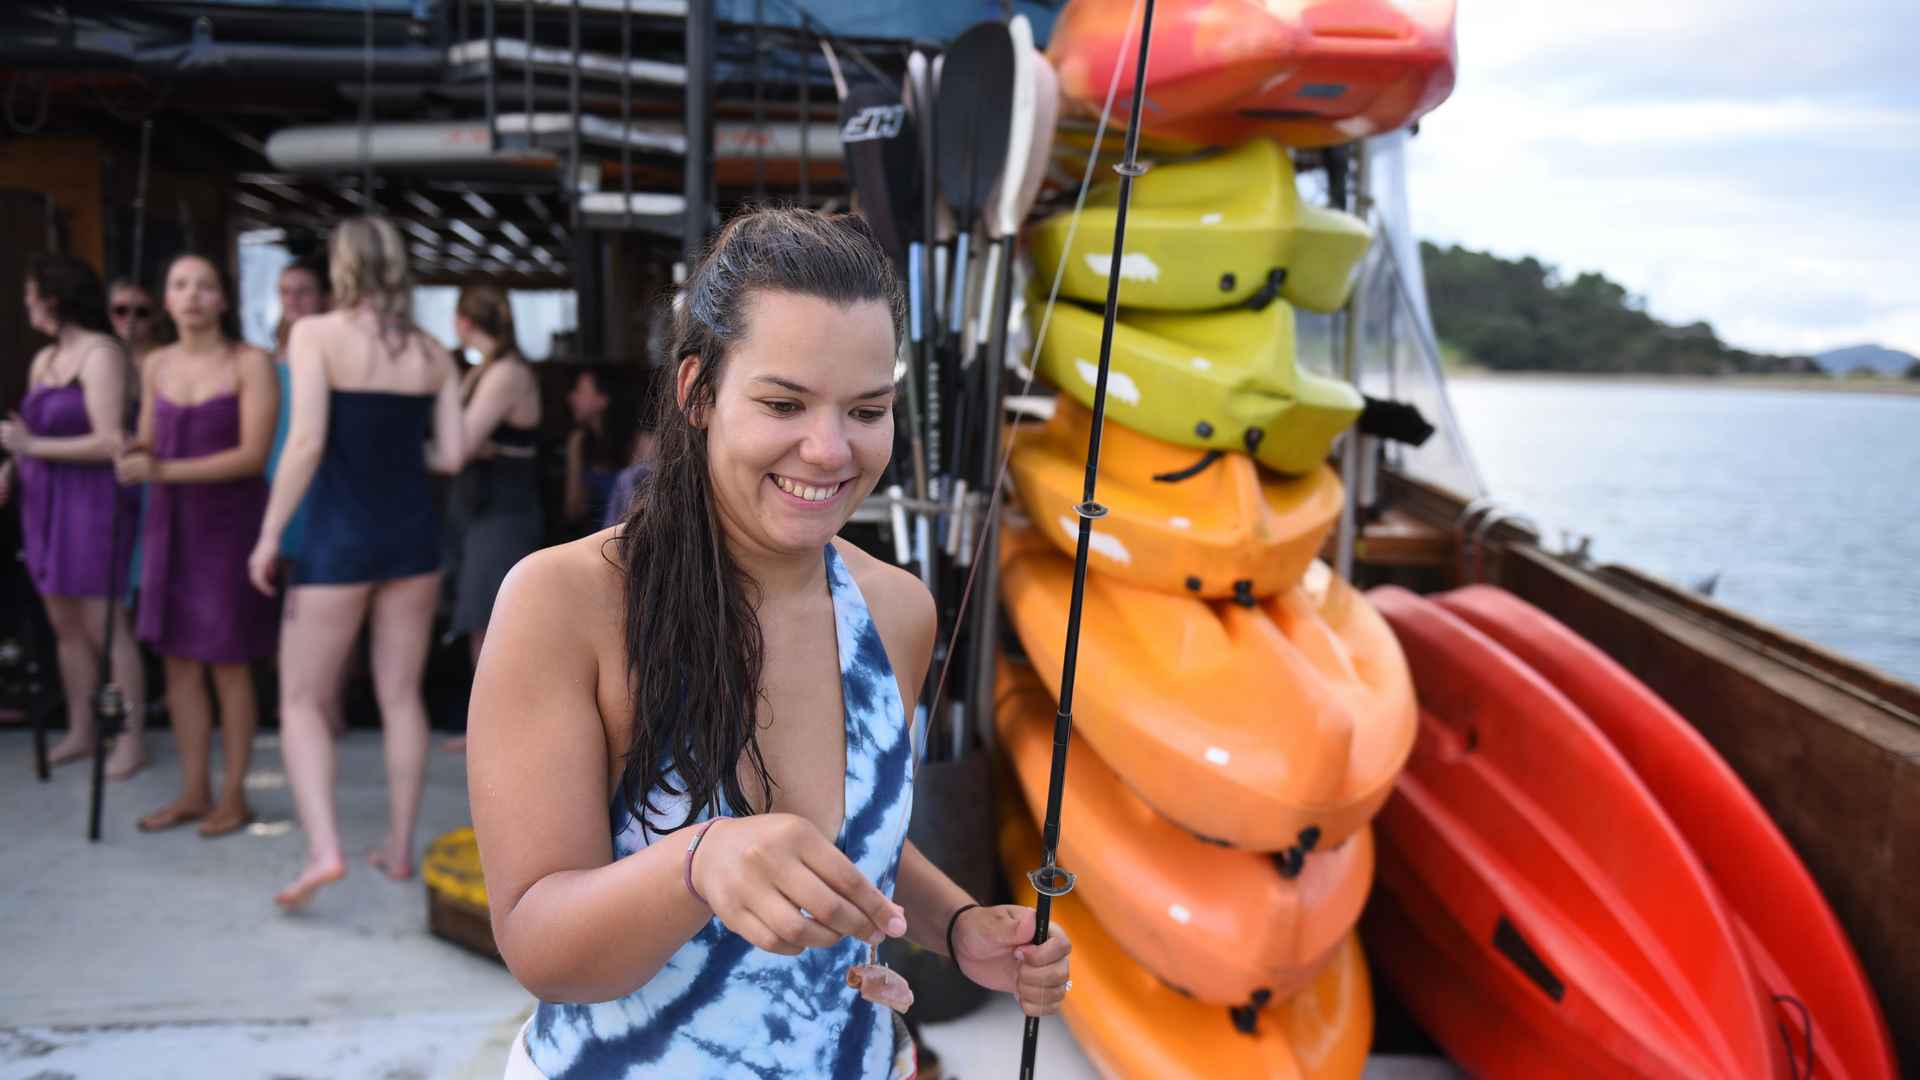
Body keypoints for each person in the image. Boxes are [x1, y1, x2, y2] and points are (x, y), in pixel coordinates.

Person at [468, 208, 1070, 1079]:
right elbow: (541, 945)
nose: (829, 449)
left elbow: (854, 838)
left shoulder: (897, 611)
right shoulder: (563, 602)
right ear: (698, 394)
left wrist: (956, 926)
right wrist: (698, 860)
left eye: (866, 409)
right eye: (784, 402)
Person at [249, 217, 466, 910]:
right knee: (402, 696)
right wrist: (401, 458)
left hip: (339, 539)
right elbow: (453, 456)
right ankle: (399, 850)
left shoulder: (316, 335)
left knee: (303, 699)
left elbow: (307, 441)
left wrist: (268, 535)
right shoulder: (434, 352)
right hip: (412, 539)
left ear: (342, 268)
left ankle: (326, 849)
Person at [116, 253, 279, 837]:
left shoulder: (250, 362)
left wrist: (160, 471)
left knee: (229, 664)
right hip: (169, 527)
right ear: (166, 298)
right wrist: (130, 452)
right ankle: (193, 790)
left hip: (228, 526)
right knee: (178, 662)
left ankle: (234, 795)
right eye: (180, 284)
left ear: (224, 299)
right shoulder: (154, 362)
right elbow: (148, 442)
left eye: (205, 286)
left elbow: (252, 455)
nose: (191, 295)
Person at [0, 254, 149, 778]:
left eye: (31, 294)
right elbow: (26, 436)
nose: (26, 304)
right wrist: (13, 466)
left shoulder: (101, 354)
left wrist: (33, 444)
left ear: (55, 297)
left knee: (105, 624)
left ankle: (130, 740)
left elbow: (111, 441)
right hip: (44, 499)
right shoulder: (44, 361)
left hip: (92, 501)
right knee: (63, 624)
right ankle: (83, 731)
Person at [438, 285, 542, 754]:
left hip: (505, 510)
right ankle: (486, 726)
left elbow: (455, 446)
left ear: (463, 322)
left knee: (493, 621)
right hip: (482, 509)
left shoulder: (505, 373)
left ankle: (495, 730)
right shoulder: (486, 371)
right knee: (480, 619)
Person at [266, 255, 344, 737]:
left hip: (325, 482)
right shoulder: (269, 357)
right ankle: (295, 701)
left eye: (303, 291)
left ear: (324, 297)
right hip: (277, 477)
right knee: (286, 594)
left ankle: (326, 703)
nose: (293, 300)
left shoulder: (330, 349)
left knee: (324, 593)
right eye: (285, 291)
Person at [561, 368, 623, 534]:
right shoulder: (578, 441)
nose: (571, 398)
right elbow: (573, 510)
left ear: (603, 400)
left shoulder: (638, 443)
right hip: (592, 538)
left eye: (580, 391)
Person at [109, 278, 166, 375]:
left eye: (141, 312)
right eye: (121, 310)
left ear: (156, 316)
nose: (130, 318)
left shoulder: (166, 360)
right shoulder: (104, 355)